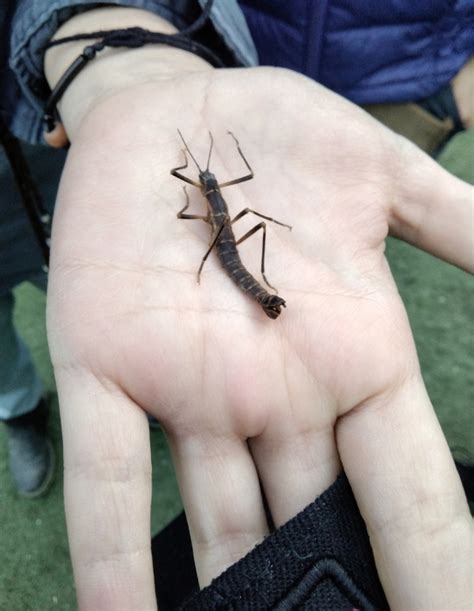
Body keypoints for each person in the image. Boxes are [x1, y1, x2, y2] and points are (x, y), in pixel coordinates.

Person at [1, 0, 473, 608]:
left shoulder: (213, 201)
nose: (207, 184)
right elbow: (200, 202)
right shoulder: (209, 194)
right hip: (219, 238)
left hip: (244, 249)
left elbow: (202, 210)